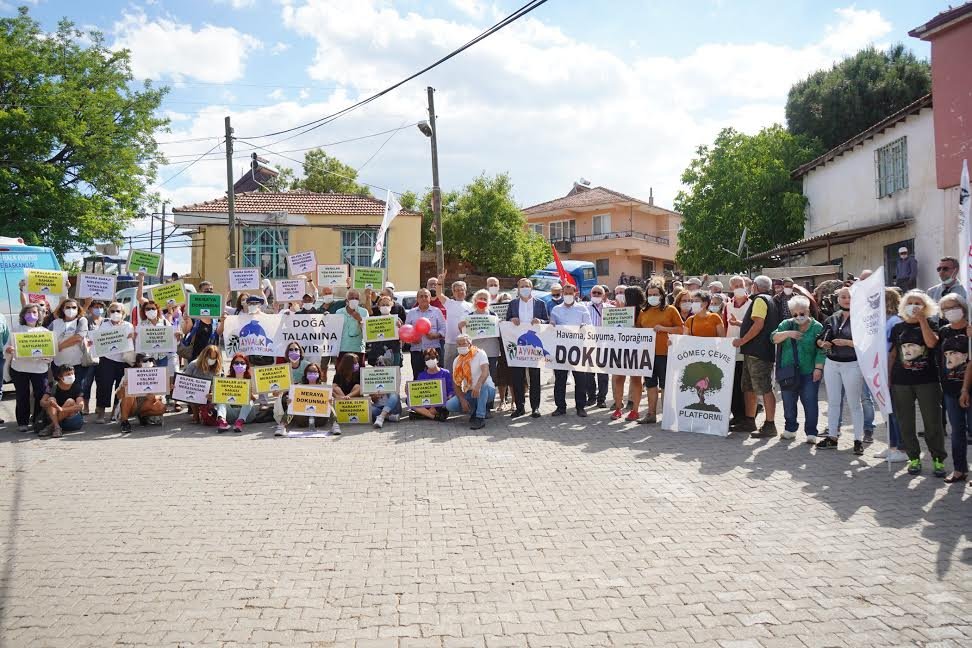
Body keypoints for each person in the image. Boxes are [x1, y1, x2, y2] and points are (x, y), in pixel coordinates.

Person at [889, 290, 947, 477]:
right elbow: (893, 354)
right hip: (901, 381)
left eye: (918, 303)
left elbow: (931, 344)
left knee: (932, 422)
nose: (914, 306)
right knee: (905, 422)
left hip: (927, 381)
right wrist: (888, 377)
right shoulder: (898, 327)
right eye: (910, 302)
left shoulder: (931, 323)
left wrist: (922, 320)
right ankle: (913, 458)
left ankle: (938, 460)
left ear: (926, 306)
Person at [815, 287, 865, 454]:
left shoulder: (861, 318)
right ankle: (832, 437)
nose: (846, 299)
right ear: (838, 300)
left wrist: (848, 343)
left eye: (850, 297)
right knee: (833, 402)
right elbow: (821, 338)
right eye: (843, 297)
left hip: (852, 364)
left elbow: (867, 344)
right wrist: (823, 343)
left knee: (854, 404)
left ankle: (858, 440)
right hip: (832, 363)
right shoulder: (832, 318)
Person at [772, 295, 825, 442]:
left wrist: (818, 369)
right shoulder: (786, 324)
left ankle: (811, 432)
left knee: (810, 401)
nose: (799, 316)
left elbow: (821, 350)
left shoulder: (817, 327)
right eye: (795, 314)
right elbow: (773, 338)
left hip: (809, 371)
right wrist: (788, 333)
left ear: (808, 311)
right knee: (788, 401)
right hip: (788, 371)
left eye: (802, 313)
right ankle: (790, 429)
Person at [732, 275, 779, 437]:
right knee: (749, 387)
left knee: (764, 388)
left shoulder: (759, 300)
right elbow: (761, 323)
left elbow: (758, 324)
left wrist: (742, 340)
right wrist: (739, 324)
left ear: (756, 287)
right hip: (756, 351)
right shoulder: (769, 300)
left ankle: (770, 424)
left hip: (757, 352)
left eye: (752, 285)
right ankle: (749, 420)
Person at [635, 282, 682, 424]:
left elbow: (681, 329)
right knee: (650, 384)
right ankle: (651, 414)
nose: (653, 297)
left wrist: (664, 328)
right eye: (650, 295)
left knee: (665, 385)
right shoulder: (643, 312)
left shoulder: (671, 310)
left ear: (662, 295)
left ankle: (667, 415)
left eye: (655, 294)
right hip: (647, 355)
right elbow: (637, 330)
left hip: (665, 354)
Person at [4, 304, 52, 431]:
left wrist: (48, 357)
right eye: (28, 312)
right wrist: (8, 349)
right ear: (23, 315)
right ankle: (22, 422)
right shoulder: (16, 329)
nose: (31, 315)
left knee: (40, 395)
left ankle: (38, 420)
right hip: (19, 369)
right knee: (22, 395)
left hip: (39, 369)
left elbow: (51, 354)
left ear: (39, 315)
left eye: (35, 312)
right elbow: (7, 347)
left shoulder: (45, 333)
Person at [938, 294, 970, 483]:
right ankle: (959, 469)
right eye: (946, 309)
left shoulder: (970, 328)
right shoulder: (943, 331)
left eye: (954, 307)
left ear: (963, 307)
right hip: (950, 388)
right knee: (956, 430)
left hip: (969, 387)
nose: (950, 311)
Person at [505, 278, 548, 419]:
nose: (524, 288)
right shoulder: (512, 304)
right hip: (518, 347)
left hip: (534, 348)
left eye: (527, 286)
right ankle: (520, 407)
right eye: (522, 286)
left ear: (531, 287)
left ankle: (535, 407)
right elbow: (506, 321)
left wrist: (540, 321)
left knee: (535, 377)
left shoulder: (540, 304)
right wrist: (512, 320)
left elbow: (547, 322)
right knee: (518, 378)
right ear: (518, 288)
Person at [549, 283, 591, 417]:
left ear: (575, 293)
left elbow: (589, 325)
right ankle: (560, 407)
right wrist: (551, 325)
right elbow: (552, 324)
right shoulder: (556, 309)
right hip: (560, 349)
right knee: (560, 379)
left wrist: (584, 326)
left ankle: (580, 407)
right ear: (562, 294)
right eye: (565, 293)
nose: (567, 295)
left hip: (578, 348)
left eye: (570, 293)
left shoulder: (582, 308)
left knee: (580, 380)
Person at [94, 302, 136, 424]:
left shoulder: (129, 326)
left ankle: (115, 413)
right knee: (104, 386)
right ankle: (101, 413)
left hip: (124, 361)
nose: (115, 313)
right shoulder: (104, 324)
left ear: (123, 314)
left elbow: (132, 342)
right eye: (112, 311)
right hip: (107, 360)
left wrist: (132, 336)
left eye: (118, 311)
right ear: (108, 313)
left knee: (121, 388)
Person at [445, 334, 495, 429]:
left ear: (470, 344)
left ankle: (480, 418)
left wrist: (478, 385)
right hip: (470, 391)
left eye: (464, 343)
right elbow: (456, 383)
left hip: (487, 390)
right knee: (450, 405)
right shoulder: (457, 360)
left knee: (483, 386)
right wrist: (462, 399)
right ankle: (473, 411)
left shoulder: (480, 353)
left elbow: (485, 372)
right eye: (459, 344)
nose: (461, 346)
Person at [458, 290, 501, 399]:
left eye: (485, 299)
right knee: (474, 376)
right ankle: (475, 400)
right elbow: (464, 336)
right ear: (475, 301)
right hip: (475, 353)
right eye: (480, 298)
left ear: (489, 301)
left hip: (491, 351)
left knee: (491, 378)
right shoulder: (469, 316)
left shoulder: (493, 315)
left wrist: (500, 325)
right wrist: (461, 326)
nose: (482, 301)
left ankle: (488, 403)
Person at [50, 297, 92, 407]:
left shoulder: (81, 320)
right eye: (67, 307)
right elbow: (47, 338)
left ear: (78, 309)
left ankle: (76, 414)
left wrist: (59, 347)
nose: (71, 309)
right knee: (60, 391)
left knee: (76, 390)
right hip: (58, 364)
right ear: (62, 309)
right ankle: (60, 414)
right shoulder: (55, 323)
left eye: (74, 307)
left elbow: (78, 337)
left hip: (77, 364)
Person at [114, 354, 167, 434]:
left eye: (150, 360)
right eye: (145, 361)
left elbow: (161, 396)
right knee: (128, 394)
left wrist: (155, 396)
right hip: (131, 405)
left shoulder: (157, 373)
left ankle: (143, 415)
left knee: (162, 407)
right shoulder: (129, 374)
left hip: (146, 403)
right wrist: (123, 387)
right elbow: (118, 395)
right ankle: (124, 422)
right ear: (138, 363)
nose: (148, 362)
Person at [725, 276, 751, 427]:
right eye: (735, 286)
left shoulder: (752, 304)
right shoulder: (727, 305)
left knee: (745, 385)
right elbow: (724, 326)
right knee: (733, 384)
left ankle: (748, 416)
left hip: (747, 349)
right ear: (731, 288)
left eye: (740, 284)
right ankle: (737, 415)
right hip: (731, 350)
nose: (738, 287)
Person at [405, 288, 447, 380]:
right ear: (417, 299)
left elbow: (444, 329)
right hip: (417, 350)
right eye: (421, 296)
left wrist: (436, 335)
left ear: (430, 298)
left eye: (426, 296)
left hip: (433, 350)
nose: (424, 298)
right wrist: (412, 339)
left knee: (436, 377)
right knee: (417, 376)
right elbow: (406, 331)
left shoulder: (437, 311)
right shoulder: (411, 313)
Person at [275, 362, 326, 436]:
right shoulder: (299, 387)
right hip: (302, 419)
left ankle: (335, 424)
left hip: (319, 419)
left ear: (319, 373)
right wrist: (289, 401)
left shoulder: (324, 388)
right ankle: (282, 426)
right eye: (310, 371)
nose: (312, 373)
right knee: (292, 403)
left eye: (315, 371)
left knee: (329, 401)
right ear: (306, 373)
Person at [39, 364, 85, 437]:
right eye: (68, 374)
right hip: (53, 415)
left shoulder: (77, 387)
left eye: (72, 374)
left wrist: (62, 409)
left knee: (70, 401)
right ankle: (57, 427)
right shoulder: (53, 386)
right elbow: (42, 402)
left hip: (71, 421)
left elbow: (80, 406)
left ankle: (51, 426)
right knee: (51, 399)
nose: (71, 376)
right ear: (60, 377)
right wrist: (49, 403)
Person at [410, 348, 454, 421]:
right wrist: (409, 391)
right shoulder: (421, 375)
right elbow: (417, 393)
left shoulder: (445, 373)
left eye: (433, 357)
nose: (430, 360)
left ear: (437, 359)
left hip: (441, 402)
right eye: (427, 359)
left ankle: (422, 414)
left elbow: (450, 390)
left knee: (447, 401)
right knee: (409, 401)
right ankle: (433, 416)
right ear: (424, 361)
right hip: (425, 402)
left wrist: (447, 397)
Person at [216, 353, 256, 433]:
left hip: (246, 415)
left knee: (249, 401)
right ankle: (222, 421)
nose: (239, 365)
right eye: (236, 363)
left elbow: (254, 399)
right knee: (219, 400)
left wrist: (249, 394)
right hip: (231, 413)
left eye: (242, 363)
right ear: (232, 365)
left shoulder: (251, 379)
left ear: (246, 365)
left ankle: (239, 422)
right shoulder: (227, 380)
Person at [182, 344, 222, 424]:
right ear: (205, 356)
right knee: (192, 395)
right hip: (194, 392)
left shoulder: (217, 367)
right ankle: (195, 415)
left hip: (209, 394)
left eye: (214, 358)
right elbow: (184, 380)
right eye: (210, 358)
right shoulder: (193, 365)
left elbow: (218, 385)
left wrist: (213, 393)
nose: (212, 360)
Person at [585, 285, 610, 408]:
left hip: (604, 345)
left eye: (599, 293)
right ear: (590, 294)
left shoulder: (611, 309)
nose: (596, 294)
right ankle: (591, 397)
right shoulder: (584, 308)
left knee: (603, 374)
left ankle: (602, 399)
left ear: (604, 295)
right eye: (594, 292)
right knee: (589, 374)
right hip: (588, 345)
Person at [442, 280, 473, 372]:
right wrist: (440, 281)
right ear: (453, 292)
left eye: (462, 290)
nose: (459, 292)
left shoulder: (471, 306)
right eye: (457, 290)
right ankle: (450, 386)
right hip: (451, 342)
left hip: (466, 343)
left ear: (465, 291)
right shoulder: (449, 303)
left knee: (467, 369)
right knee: (449, 368)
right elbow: (439, 294)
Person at [367, 294, 404, 368]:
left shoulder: (397, 320)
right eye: (383, 305)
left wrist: (400, 328)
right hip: (378, 353)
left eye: (387, 304)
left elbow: (403, 338)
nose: (385, 306)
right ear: (378, 306)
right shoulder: (373, 321)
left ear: (391, 306)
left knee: (395, 375)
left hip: (394, 352)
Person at [330, 353, 362, 435]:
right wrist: (339, 397)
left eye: (357, 363)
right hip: (341, 398)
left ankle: (346, 398)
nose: (357, 365)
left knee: (358, 386)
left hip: (353, 398)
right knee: (335, 387)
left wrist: (349, 396)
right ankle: (344, 399)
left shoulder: (358, 375)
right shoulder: (338, 376)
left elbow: (361, 389)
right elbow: (332, 389)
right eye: (355, 363)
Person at [336, 288, 369, 366]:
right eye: (351, 298)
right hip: (342, 349)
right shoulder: (339, 312)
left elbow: (367, 331)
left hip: (358, 349)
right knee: (342, 375)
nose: (354, 300)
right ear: (346, 300)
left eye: (356, 298)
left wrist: (360, 319)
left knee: (358, 375)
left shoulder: (364, 312)